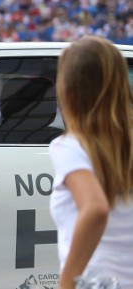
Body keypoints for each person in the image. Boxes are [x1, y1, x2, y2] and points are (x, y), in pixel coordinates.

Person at [49, 36, 133, 289]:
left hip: (99, 282)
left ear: (69, 91)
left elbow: (95, 209)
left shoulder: (70, 146)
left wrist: (67, 283)